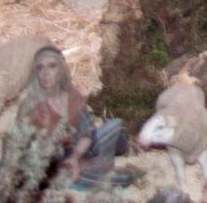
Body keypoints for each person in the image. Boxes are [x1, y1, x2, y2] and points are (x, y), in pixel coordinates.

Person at [15, 46, 127, 191]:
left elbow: (87, 133)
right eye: (40, 68)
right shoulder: (32, 105)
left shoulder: (72, 96)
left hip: (82, 152)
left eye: (52, 66)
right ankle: (84, 176)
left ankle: (103, 160)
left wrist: (76, 156)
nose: (45, 73)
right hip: (57, 165)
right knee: (121, 179)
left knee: (117, 125)